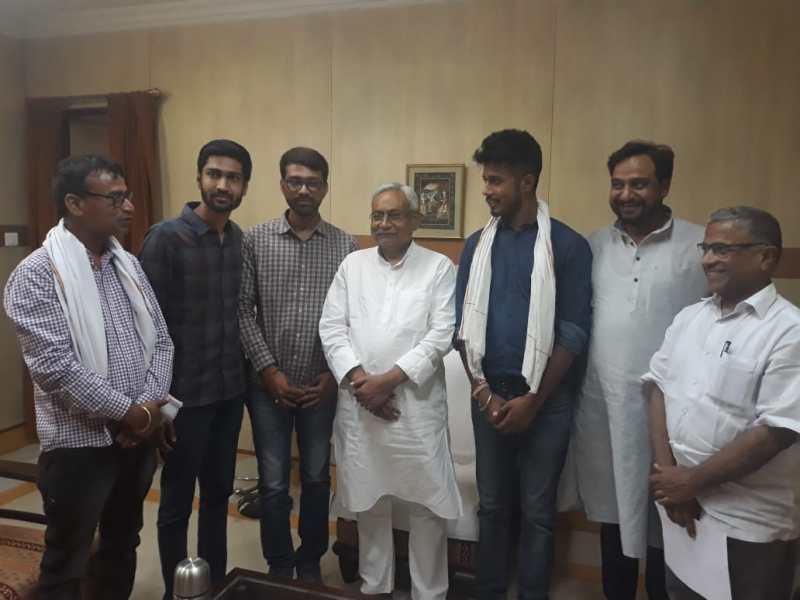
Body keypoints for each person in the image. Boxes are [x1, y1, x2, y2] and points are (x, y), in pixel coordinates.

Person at [3, 155, 174, 599]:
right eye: (115, 198)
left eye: (127, 196)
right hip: (79, 449)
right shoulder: (36, 274)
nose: (129, 207)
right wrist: (132, 413)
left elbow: (161, 341)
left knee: (122, 545)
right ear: (75, 203)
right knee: (67, 562)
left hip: (136, 441)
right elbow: (56, 368)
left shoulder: (128, 265)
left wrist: (148, 410)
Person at [455, 129, 592, 600]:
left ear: (527, 182)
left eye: (495, 181)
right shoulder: (477, 246)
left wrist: (534, 400)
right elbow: (461, 329)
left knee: (537, 513)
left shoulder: (567, 246)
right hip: (488, 397)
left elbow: (573, 333)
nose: (487, 190)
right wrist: (484, 393)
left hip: (547, 404)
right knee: (492, 507)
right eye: (486, 180)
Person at [569, 141, 706, 599]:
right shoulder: (593, 246)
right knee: (615, 519)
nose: (626, 194)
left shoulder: (699, 246)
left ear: (664, 185)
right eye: (618, 184)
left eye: (639, 184)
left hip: (675, 415)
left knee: (671, 523)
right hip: (607, 410)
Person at [644, 207, 800, 599]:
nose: (708, 259)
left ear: (765, 257)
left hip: (746, 519)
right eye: (706, 248)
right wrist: (670, 478)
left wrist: (691, 482)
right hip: (682, 507)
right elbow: (657, 388)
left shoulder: (789, 331)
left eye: (722, 249)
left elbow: (777, 431)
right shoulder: (689, 317)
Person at [319, 183, 463, 600]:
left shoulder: (439, 268)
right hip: (361, 406)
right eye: (377, 215)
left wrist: (388, 382)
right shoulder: (353, 265)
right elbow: (332, 327)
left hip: (415, 408)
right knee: (369, 502)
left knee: (427, 505)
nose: (384, 224)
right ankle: (375, 587)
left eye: (394, 215)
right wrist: (363, 384)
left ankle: (429, 593)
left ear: (415, 220)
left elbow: (441, 334)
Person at [238, 146, 358, 582]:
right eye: (295, 181)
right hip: (267, 386)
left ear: (325, 187)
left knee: (316, 477)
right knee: (272, 482)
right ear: (282, 185)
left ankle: (309, 560)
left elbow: (353, 318)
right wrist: (269, 372)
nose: (304, 189)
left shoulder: (345, 246)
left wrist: (331, 375)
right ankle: (279, 563)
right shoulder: (254, 240)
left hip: (320, 387)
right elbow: (242, 311)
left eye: (312, 182)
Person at [139, 139, 251, 596]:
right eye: (214, 174)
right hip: (182, 397)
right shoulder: (166, 238)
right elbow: (145, 327)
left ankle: (213, 584)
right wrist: (156, 402)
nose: (223, 185)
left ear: (244, 186)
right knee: (176, 500)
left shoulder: (239, 240)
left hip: (228, 392)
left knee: (219, 495)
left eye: (233, 177)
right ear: (200, 178)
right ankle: (176, 590)